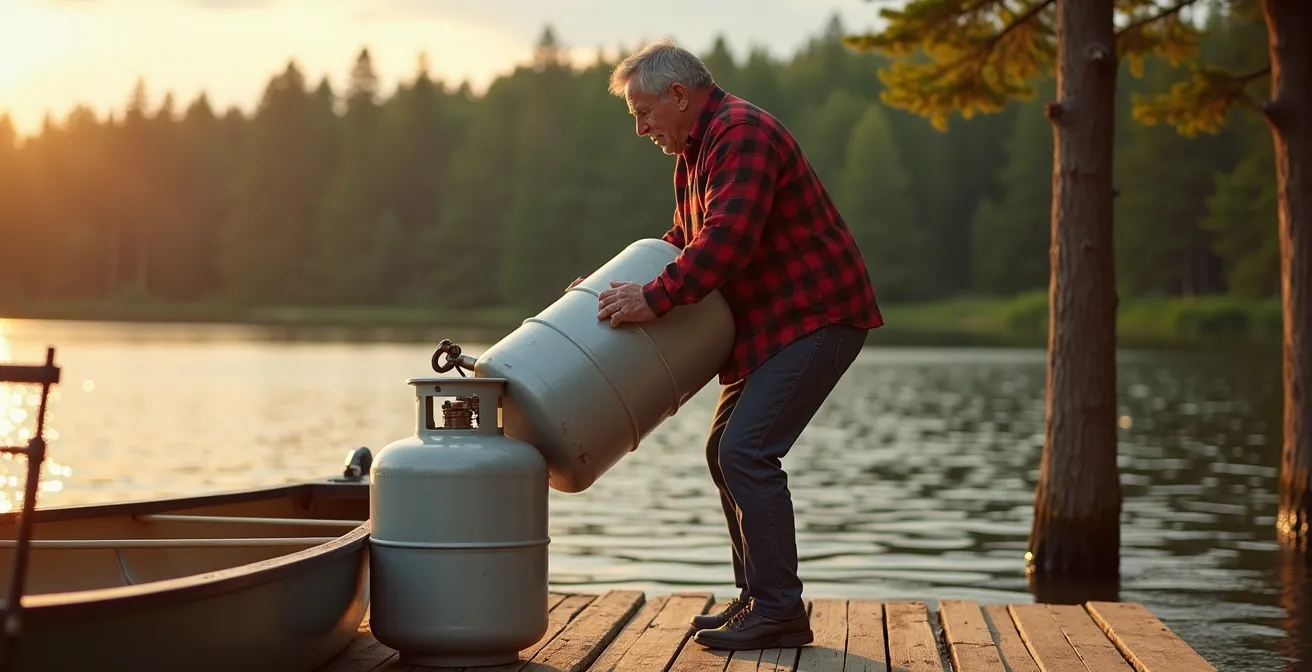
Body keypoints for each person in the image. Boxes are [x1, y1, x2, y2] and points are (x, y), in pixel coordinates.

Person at [590, 38, 883, 651]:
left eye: (643, 112)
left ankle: (779, 610)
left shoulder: (741, 131)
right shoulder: (695, 153)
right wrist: (603, 291)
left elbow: (728, 238)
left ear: (679, 94)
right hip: (772, 326)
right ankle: (758, 599)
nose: (641, 127)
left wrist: (655, 298)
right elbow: (683, 239)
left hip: (816, 315)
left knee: (746, 452)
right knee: (724, 448)